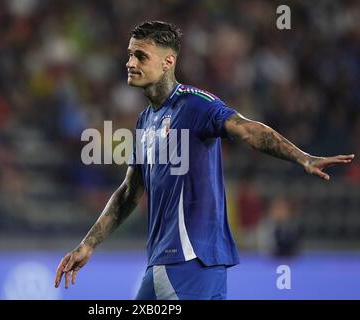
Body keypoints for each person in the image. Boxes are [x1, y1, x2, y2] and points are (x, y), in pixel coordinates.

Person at [54, 21, 355, 300]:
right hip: (185, 263)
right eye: (130, 55)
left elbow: (249, 131)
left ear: (167, 62)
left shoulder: (195, 105)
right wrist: (89, 243)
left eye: (141, 56)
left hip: (184, 259)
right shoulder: (146, 121)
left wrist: (301, 157)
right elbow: (130, 191)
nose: (130, 63)